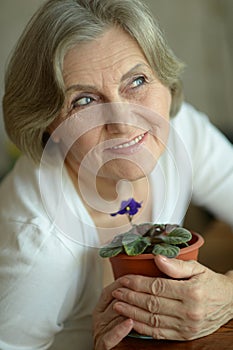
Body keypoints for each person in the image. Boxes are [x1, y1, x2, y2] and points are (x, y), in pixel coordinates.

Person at [0, 0, 233, 349]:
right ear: (48, 124)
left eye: (136, 81)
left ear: (166, 84)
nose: (124, 124)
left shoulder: (177, 130)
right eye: (83, 102)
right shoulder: (36, 246)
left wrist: (229, 293)